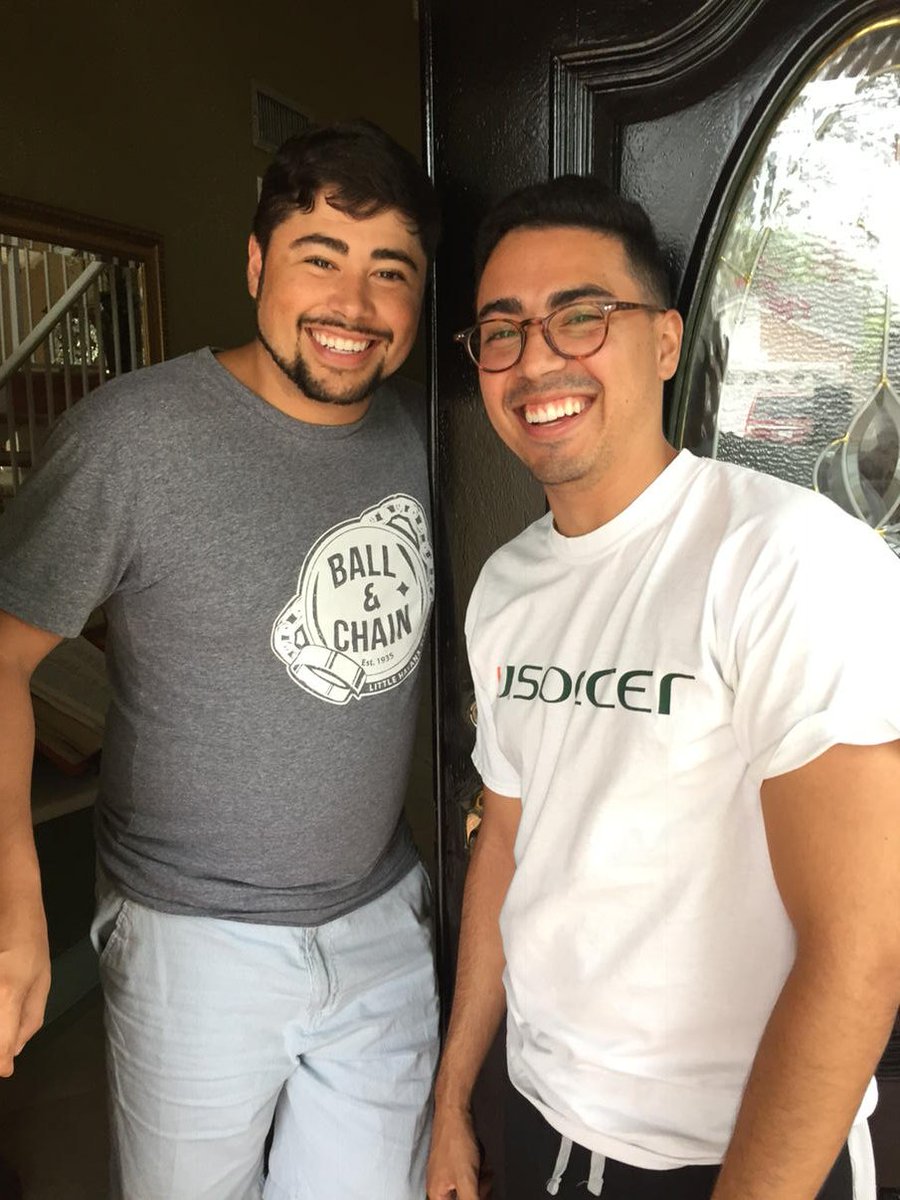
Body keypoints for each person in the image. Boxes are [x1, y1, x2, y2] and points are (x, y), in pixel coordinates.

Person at [426, 175, 900, 1200]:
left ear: (667, 342)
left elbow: (861, 951)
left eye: (582, 316)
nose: (536, 359)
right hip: (544, 1123)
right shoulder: (506, 587)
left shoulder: (782, 558)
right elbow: (505, 843)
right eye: (502, 331)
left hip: (739, 1155)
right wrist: (454, 1095)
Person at [0, 120, 440, 1200]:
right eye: (320, 258)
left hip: (381, 925)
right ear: (255, 264)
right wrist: (12, 896)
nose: (354, 305)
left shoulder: (421, 436)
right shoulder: (134, 438)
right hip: (189, 941)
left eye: (390, 271)